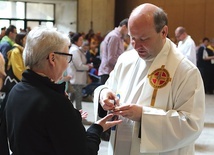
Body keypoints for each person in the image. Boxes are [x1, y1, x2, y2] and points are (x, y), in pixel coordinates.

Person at [94, 3, 205, 155]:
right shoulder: (125, 59)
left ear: (164, 32)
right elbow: (108, 86)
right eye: (132, 38)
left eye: (144, 39)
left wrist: (143, 116)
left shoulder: (185, 71)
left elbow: (191, 125)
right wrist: (104, 95)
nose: (136, 45)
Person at [0, 26, 122, 155]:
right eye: (66, 56)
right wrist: (96, 129)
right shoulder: (54, 102)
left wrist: (69, 120)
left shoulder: (16, 90)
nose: (67, 63)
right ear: (52, 58)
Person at [67, 32, 93, 111]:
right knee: (78, 100)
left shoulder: (77, 49)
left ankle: (68, 114)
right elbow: (79, 66)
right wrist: (88, 67)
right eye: (80, 40)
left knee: (72, 99)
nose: (82, 42)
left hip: (77, 78)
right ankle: (80, 117)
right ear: (76, 41)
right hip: (76, 78)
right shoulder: (74, 50)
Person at [98, 18, 129, 84]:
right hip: (108, 72)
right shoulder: (114, 37)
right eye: (128, 30)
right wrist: (121, 68)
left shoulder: (119, 37)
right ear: (124, 27)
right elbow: (111, 58)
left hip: (111, 71)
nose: (128, 33)